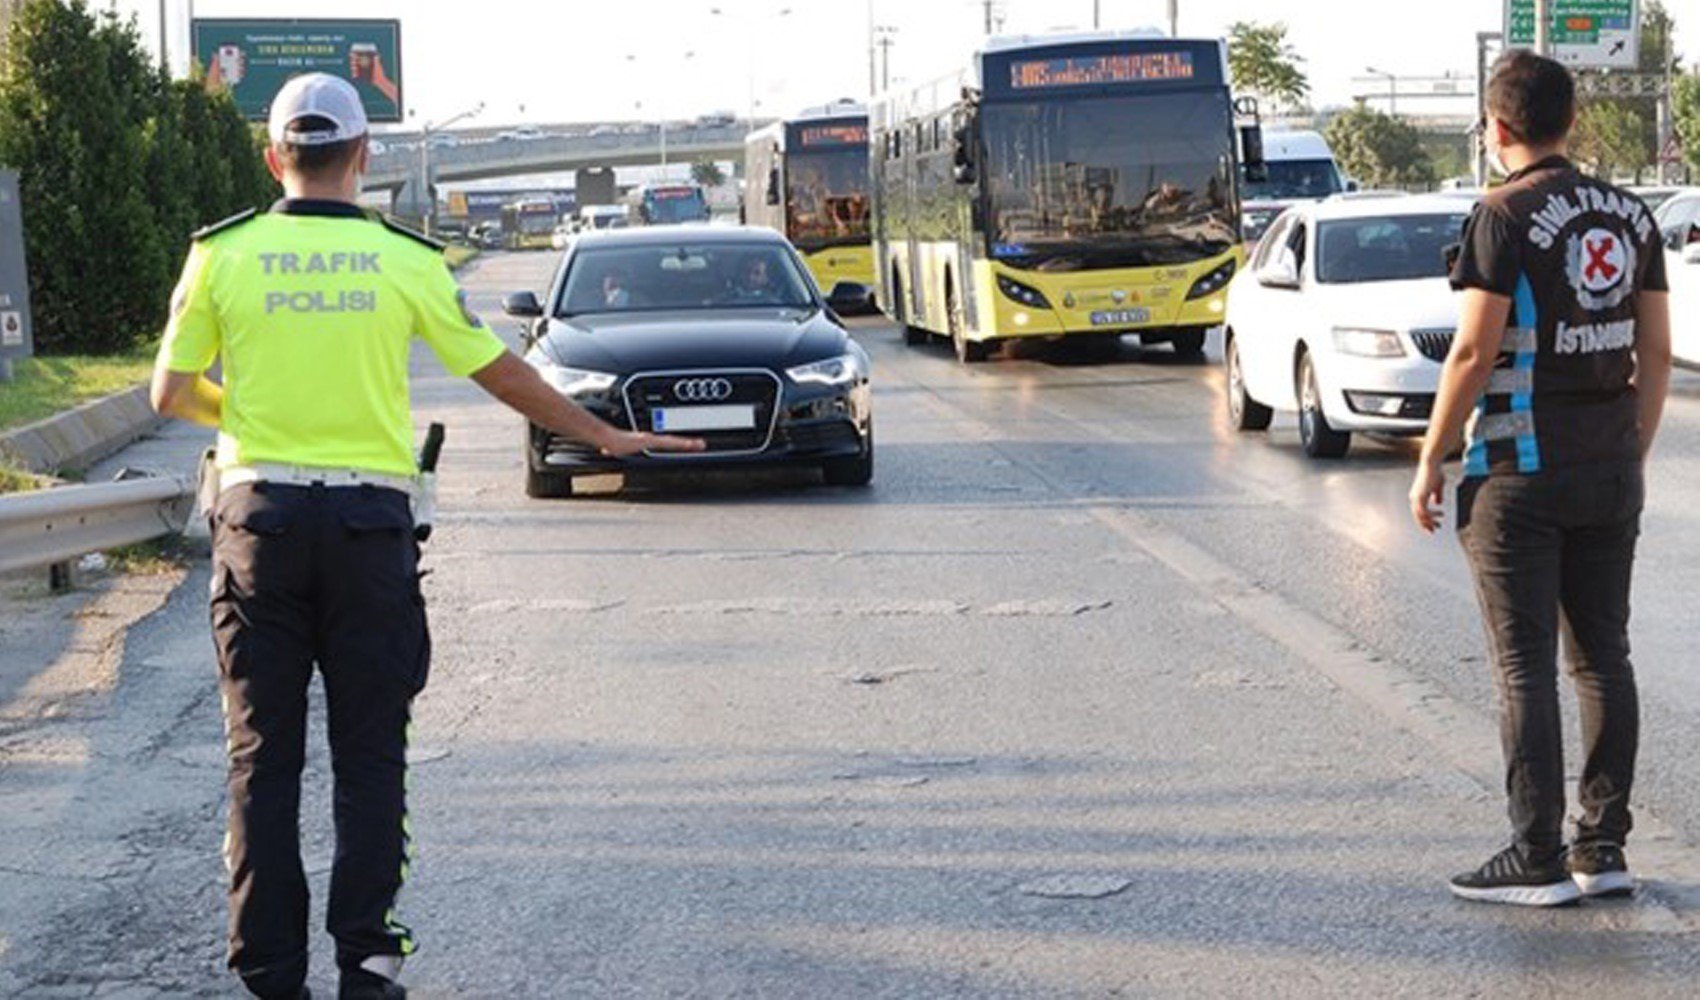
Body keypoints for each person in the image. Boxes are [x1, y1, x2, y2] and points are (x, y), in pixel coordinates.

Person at [149, 74, 701, 999]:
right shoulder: (404, 260)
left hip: (260, 527)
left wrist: (245, 411)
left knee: (262, 756)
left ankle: (269, 969)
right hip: (368, 529)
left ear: (274, 154)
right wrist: (606, 435)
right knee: (370, 752)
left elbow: (168, 393)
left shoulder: (223, 254)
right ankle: (367, 957)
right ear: (366, 158)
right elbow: (499, 373)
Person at [1409, 51, 1672, 907]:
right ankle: (1603, 847)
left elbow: (1475, 352)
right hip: (1608, 471)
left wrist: (1430, 459)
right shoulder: (1631, 214)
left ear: (1498, 128)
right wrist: (1628, 454)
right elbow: (1657, 351)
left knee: (1524, 669)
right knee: (1604, 661)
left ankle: (1535, 855)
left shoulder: (1502, 213)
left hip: (1518, 474)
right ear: (1569, 120)